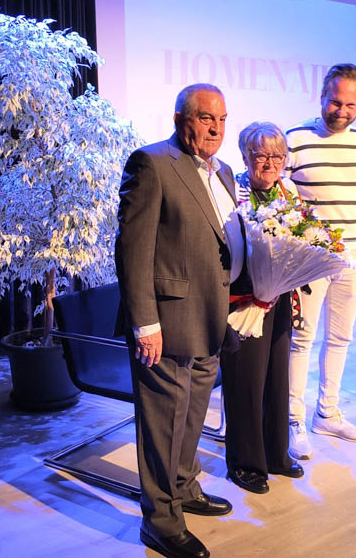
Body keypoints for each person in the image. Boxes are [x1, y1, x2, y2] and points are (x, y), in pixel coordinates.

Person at [115, 83, 240, 558]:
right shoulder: (151, 163)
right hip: (166, 323)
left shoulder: (224, 171)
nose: (216, 128)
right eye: (206, 118)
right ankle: (161, 521)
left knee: (192, 415)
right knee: (164, 422)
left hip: (211, 317)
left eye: (222, 119)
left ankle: (184, 487)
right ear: (180, 119)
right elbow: (132, 250)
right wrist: (144, 322)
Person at [284, 63, 356, 460]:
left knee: (340, 338)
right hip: (308, 258)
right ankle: (292, 420)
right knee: (301, 339)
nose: (342, 111)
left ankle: (327, 413)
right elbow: (279, 198)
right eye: (335, 102)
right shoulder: (295, 138)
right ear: (321, 96)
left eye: (351, 105)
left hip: (353, 255)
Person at [222, 122, 305, 495]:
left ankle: (275, 453)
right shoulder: (231, 193)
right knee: (246, 381)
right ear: (245, 156)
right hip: (243, 299)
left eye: (278, 156)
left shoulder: (289, 192)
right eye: (261, 155)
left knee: (276, 377)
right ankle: (245, 462)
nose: (270, 163)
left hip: (280, 295)